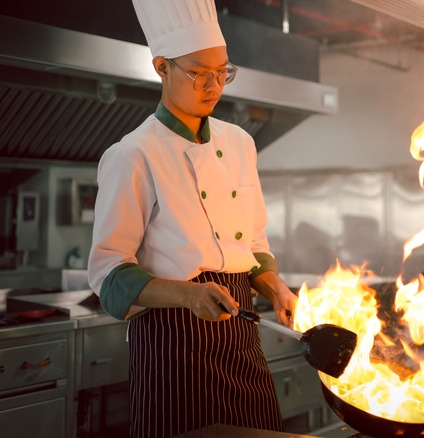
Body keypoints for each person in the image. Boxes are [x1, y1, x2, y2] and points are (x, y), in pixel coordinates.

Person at [87, 0, 296, 435]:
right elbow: (109, 274)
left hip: (241, 335)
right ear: (162, 66)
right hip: (172, 345)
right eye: (199, 72)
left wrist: (273, 285)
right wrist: (187, 296)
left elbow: (253, 244)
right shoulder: (133, 154)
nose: (214, 84)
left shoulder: (239, 142)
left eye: (223, 71)